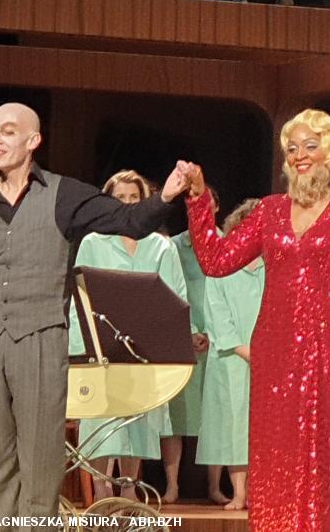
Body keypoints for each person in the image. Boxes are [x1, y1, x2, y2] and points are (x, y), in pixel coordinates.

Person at [179, 108, 330, 532]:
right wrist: (198, 201)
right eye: (292, 148)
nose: (300, 155)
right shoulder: (269, 211)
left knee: (316, 449)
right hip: (274, 345)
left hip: (326, 347)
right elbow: (216, 260)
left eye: (310, 145)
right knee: (272, 448)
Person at [0, 103, 186, 529]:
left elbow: (128, 220)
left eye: (8, 131)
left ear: (33, 141)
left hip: (39, 339)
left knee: (40, 459)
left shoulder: (63, 194)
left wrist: (166, 196)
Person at [68, 171, 189, 500]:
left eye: (134, 198)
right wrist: (80, 346)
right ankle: (101, 488)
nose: (127, 203)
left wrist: (170, 341)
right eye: (120, 198)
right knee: (101, 417)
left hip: (144, 346)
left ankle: (129, 488)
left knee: (138, 418)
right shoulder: (94, 242)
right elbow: (81, 296)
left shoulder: (161, 246)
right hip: (102, 344)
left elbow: (175, 296)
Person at [195, 198, 265, 511]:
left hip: (270, 358)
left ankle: (263, 493)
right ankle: (239, 493)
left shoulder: (275, 265)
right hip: (231, 359)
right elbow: (216, 313)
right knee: (235, 426)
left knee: (264, 427)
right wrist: (242, 348)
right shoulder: (221, 266)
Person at [171, 185, 228, 504]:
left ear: (215, 208)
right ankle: (172, 485)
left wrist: (217, 333)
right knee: (177, 416)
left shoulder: (227, 242)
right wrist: (190, 330)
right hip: (183, 336)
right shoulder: (174, 246)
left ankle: (215, 487)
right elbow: (173, 291)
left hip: (219, 339)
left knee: (216, 417)